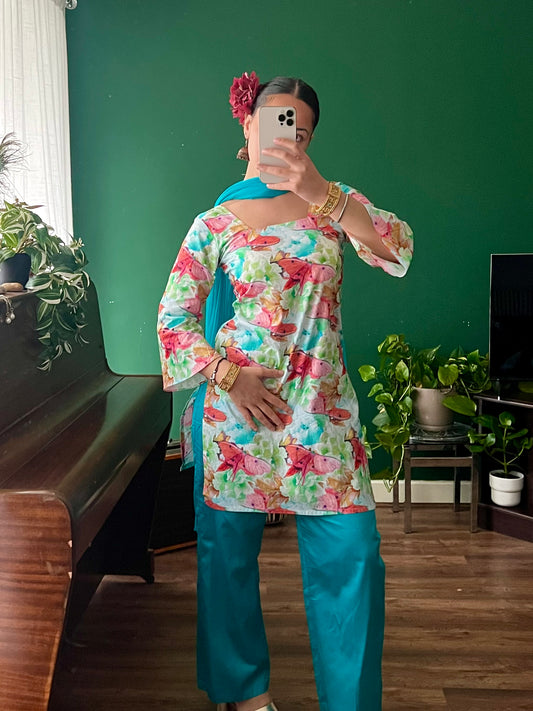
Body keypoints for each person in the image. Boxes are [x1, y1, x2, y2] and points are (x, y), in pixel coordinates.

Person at [157, 71, 413, 711]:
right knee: (227, 560)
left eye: (298, 126)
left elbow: (398, 249)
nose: (284, 133)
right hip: (238, 418)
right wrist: (228, 377)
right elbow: (174, 317)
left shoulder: (334, 207)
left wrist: (322, 192)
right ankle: (245, 696)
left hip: (324, 418)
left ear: (308, 138)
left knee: (353, 558)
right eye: (273, 117)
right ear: (247, 125)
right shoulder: (214, 221)